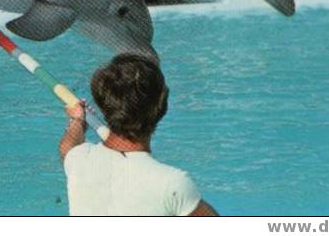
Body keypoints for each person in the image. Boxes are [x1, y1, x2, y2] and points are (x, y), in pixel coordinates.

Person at [60, 54, 217, 216]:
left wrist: (77, 120)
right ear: (162, 109)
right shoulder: (172, 185)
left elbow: (68, 145)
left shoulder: (78, 161)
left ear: (103, 105)